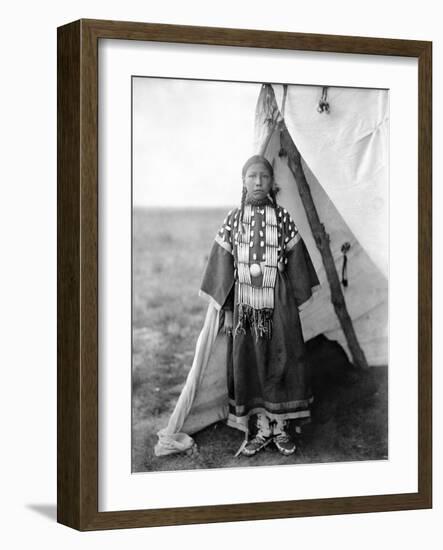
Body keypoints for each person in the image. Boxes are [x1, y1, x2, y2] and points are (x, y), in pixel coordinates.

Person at [200, 154, 320, 457]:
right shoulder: (233, 219)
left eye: (264, 177)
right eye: (252, 176)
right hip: (244, 304)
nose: (257, 181)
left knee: (282, 358)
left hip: (277, 301)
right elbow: (222, 267)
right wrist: (227, 310)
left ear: (271, 183)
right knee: (249, 360)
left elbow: (298, 265)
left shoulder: (282, 219)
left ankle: (281, 427)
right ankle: (261, 427)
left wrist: (291, 305)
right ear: (243, 181)